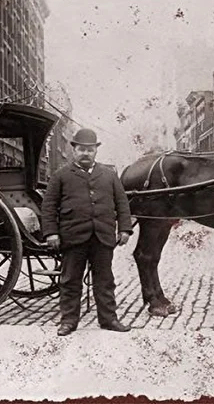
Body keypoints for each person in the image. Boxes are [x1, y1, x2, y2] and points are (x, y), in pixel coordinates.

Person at [41, 128, 134, 336]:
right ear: (74, 150)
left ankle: (109, 319)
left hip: (102, 236)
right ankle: (68, 321)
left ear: (96, 151)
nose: (86, 153)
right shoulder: (61, 176)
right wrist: (51, 233)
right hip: (73, 236)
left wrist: (124, 229)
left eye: (90, 150)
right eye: (81, 149)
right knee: (70, 280)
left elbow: (122, 203)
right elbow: (48, 206)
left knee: (105, 281)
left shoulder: (109, 175)